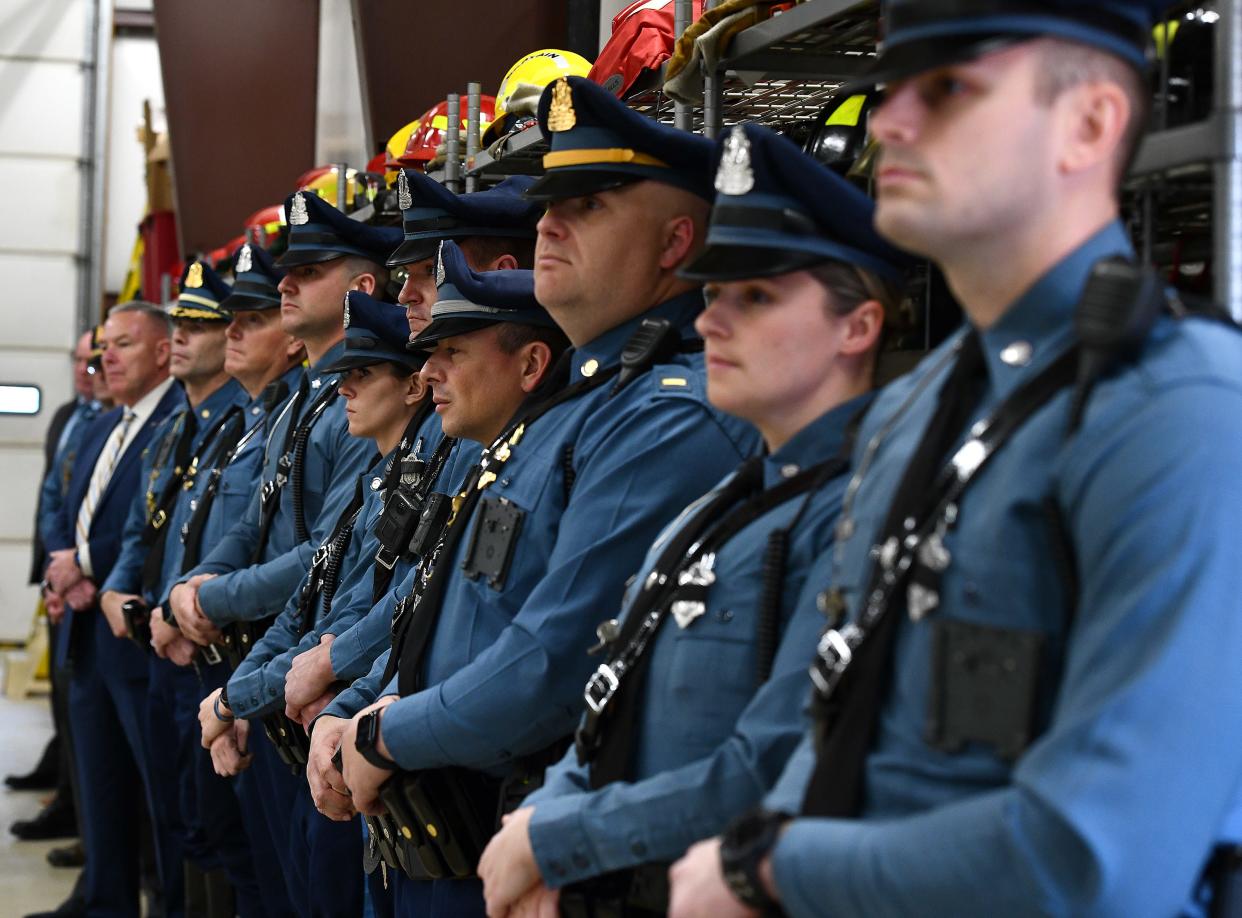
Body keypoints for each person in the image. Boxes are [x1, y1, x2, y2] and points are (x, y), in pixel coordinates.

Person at [665, 2, 1242, 916]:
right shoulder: (915, 408)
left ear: (1089, 123)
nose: (890, 120)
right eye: (895, 86)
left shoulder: (1179, 412)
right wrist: (763, 847)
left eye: (949, 89)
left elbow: (1095, 863)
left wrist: (766, 871)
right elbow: (840, 697)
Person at [330, 76, 760, 917]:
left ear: (677, 242)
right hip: (439, 801)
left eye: (590, 205)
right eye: (550, 204)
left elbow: (555, 659)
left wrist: (385, 731)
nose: (549, 225)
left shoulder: (664, 416)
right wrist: (365, 704)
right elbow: (452, 602)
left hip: (515, 828)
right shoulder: (577, 404)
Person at [476, 121, 912, 918]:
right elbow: (609, 694)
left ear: (859, 326)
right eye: (712, 295)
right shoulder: (717, 510)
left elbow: (765, 763)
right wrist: (543, 820)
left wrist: (552, 840)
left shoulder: (862, 511)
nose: (711, 322)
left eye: (756, 297)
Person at [169, 190, 394, 914]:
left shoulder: (364, 399)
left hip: (311, 685)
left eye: (311, 268)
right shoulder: (303, 400)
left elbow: (320, 561)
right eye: (287, 271)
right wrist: (200, 585)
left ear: (362, 288)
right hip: (276, 669)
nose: (287, 281)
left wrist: (213, 602)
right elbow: (265, 524)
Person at [280, 173, 543, 743]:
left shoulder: (497, 425)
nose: (404, 295)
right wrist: (350, 694)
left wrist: (369, 710)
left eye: (427, 272)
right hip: (380, 710)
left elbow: (516, 636)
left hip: (449, 739)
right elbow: (379, 577)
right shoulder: (454, 428)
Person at [198, 289, 436, 917]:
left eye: (362, 374)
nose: (345, 390)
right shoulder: (373, 484)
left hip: (343, 733)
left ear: (414, 386)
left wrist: (234, 697)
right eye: (342, 376)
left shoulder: (408, 485)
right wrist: (242, 690)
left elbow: (368, 619)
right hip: (304, 721)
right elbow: (313, 608)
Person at [154, 241, 305, 918]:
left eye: (251, 316)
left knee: (269, 870)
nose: (234, 328)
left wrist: (203, 596)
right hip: (223, 650)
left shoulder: (305, 415)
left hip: (265, 663)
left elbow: (322, 556)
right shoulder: (255, 422)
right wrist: (182, 593)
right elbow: (234, 531)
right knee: (218, 835)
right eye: (231, 317)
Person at [42, 300, 183, 917]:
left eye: (123, 344)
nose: (107, 358)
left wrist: (87, 566)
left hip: (129, 629)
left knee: (154, 790)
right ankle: (104, 898)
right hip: (84, 623)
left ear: (161, 352)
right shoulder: (106, 423)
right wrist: (64, 567)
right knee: (97, 776)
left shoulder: (178, 420)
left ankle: (160, 900)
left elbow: (152, 523)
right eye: (104, 346)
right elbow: (75, 505)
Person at [9, 331, 100, 850]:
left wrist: (77, 569)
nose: (87, 369)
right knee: (66, 706)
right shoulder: (68, 416)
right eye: (80, 359)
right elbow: (53, 496)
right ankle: (65, 795)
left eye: (96, 359)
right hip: (58, 579)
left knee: (83, 706)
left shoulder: (114, 420)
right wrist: (53, 570)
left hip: (87, 585)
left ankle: (75, 807)